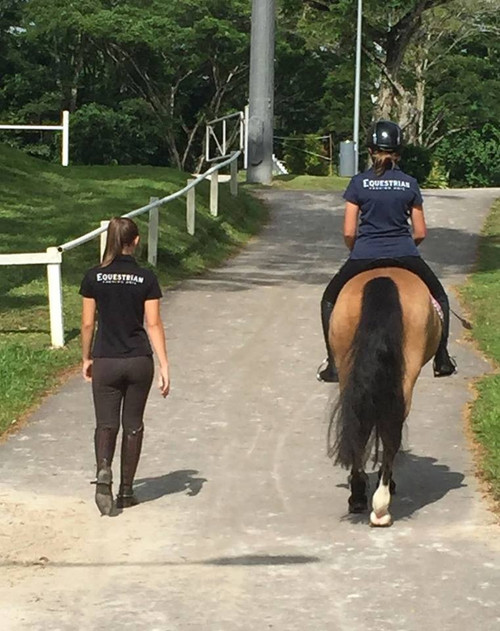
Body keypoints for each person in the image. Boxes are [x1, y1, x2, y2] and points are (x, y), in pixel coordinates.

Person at [317, 120, 457, 383]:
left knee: (328, 299)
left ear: (370, 151)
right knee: (440, 297)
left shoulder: (358, 184)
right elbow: (420, 232)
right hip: (404, 254)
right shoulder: (409, 184)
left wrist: (357, 250)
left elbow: (349, 231)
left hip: (364, 254)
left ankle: (334, 364)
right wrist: (404, 249)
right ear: (398, 152)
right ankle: (442, 358)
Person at [80, 217, 170, 515]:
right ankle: (127, 491)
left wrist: (86, 357)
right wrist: (164, 364)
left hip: (106, 358)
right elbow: (153, 323)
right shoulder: (146, 278)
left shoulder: (94, 276)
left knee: (106, 424)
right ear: (136, 241)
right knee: (133, 425)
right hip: (137, 360)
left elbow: (87, 322)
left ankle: (104, 468)